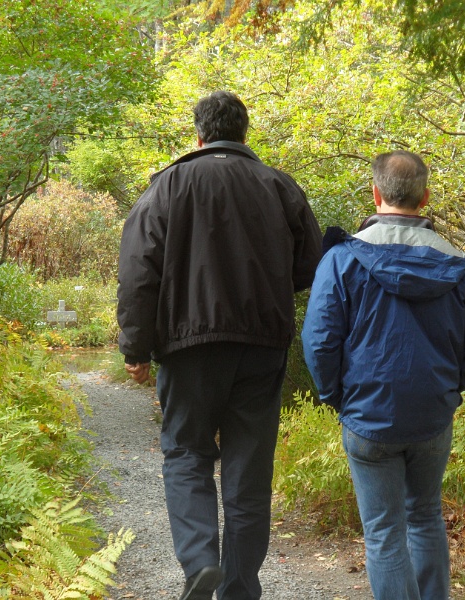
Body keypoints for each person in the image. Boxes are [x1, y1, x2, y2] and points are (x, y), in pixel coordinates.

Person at [117, 91, 322, 600]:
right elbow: (309, 266)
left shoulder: (167, 186)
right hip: (261, 347)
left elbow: (139, 272)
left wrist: (135, 348)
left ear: (199, 136)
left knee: (186, 452)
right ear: (244, 133)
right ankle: (238, 589)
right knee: (248, 474)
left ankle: (200, 560)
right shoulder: (278, 186)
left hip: (187, 348)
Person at [301, 150, 465, 600]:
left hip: (367, 415)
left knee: (385, 532)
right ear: (424, 198)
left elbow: (320, 341)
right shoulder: (457, 265)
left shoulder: (343, 259)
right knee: (424, 516)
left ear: (376, 193)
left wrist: (337, 396)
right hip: (432, 415)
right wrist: (445, 389)